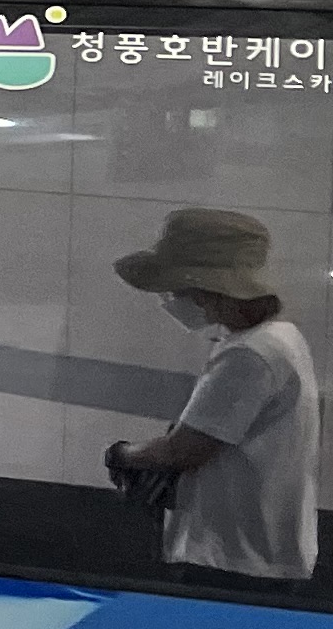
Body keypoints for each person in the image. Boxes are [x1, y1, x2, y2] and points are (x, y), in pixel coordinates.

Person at [106, 206, 318, 586]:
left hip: (234, 558)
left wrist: (122, 454)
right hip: (254, 551)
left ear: (209, 291)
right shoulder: (279, 338)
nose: (172, 298)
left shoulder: (250, 354)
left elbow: (185, 450)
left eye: (178, 289)